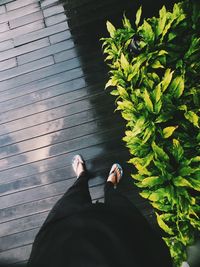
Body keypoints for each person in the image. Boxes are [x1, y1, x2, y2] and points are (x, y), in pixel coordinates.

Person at [27, 155, 172, 267]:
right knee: (119, 207)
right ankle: (110, 186)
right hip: (124, 246)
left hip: (61, 242)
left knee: (72, 199)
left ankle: (82, 178)